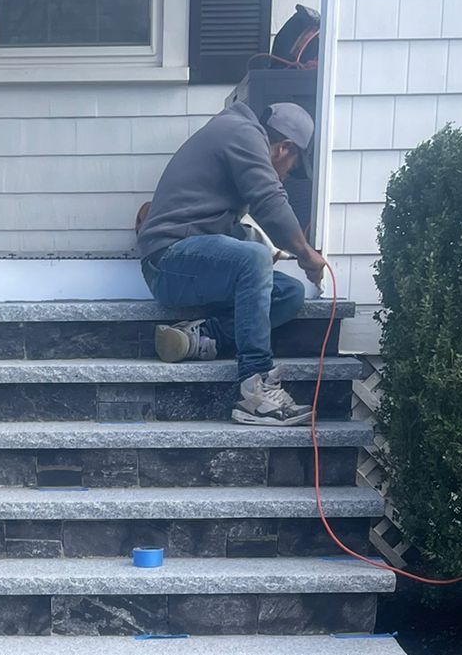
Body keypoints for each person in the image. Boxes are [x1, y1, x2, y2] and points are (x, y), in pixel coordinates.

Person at [137, 101, 327, 426]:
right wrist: (307, 254)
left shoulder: (238, 133)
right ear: (284, 148)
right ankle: (255, 390)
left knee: (289, 293)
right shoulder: (243, 133)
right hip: (167, 262)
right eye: (292, 168)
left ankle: (203, 337)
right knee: (253, 259)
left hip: (194, 261)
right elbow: (270, 201)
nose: (285, 176)